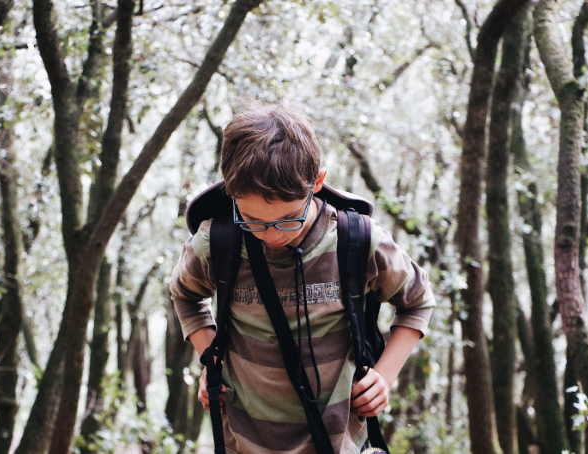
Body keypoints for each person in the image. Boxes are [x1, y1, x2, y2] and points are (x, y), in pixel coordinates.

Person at [170, 101, 435, 454]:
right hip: (244, 443)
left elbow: (417, 300)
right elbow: (185, 295)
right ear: (231, 193)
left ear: (318, 182)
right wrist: (213, 360)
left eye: (288, 218)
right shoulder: (216, 242)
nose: (272, 235)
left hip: (338, 443)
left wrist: (384, 377)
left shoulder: (357, 241)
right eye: (252, 219)